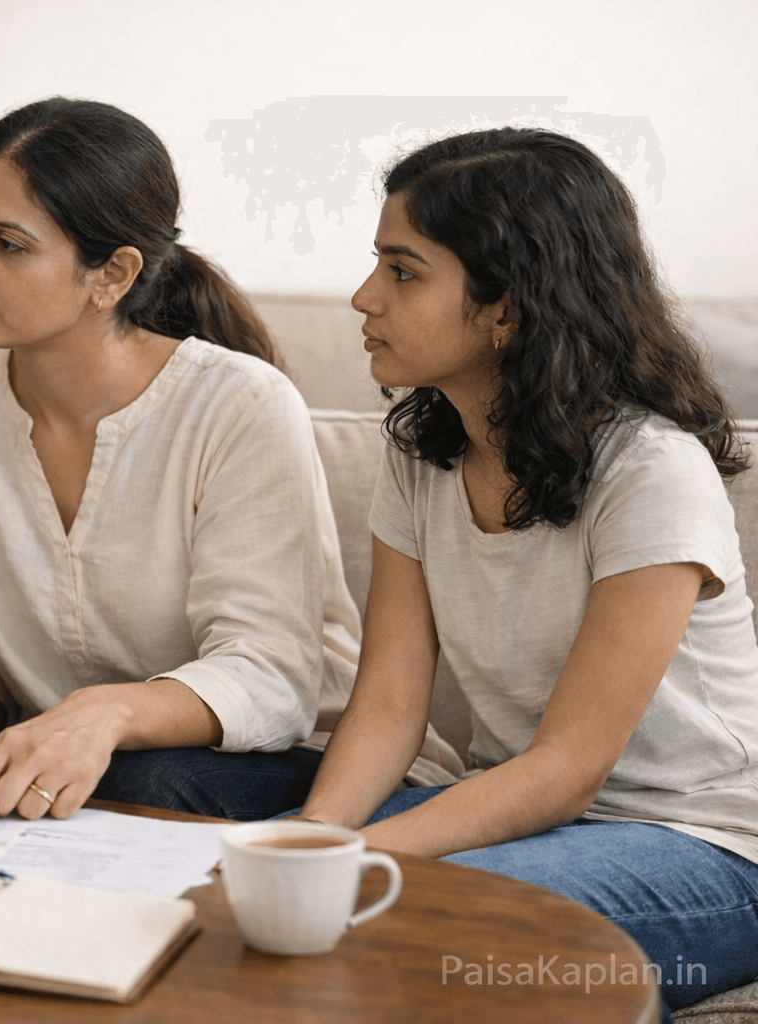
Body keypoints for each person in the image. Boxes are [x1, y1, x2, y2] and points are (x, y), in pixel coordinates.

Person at [297, 127, 758, 1019]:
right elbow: (389, 706)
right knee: (243, 862)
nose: (364, 296)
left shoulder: (652, 472)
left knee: (417, 910)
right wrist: (314, 839)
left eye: (402, 271)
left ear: (506, 309)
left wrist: (357, 859)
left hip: (706, 844)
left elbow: (567, 770)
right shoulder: (422, 459)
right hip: (518, 816)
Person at [0, 98, 460, 829]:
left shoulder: (239, 405)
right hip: (81, 775)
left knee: (138, 786)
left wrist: (100, 716)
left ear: (113, 274)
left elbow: (269, 677)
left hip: (313, 767)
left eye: (8, 244)